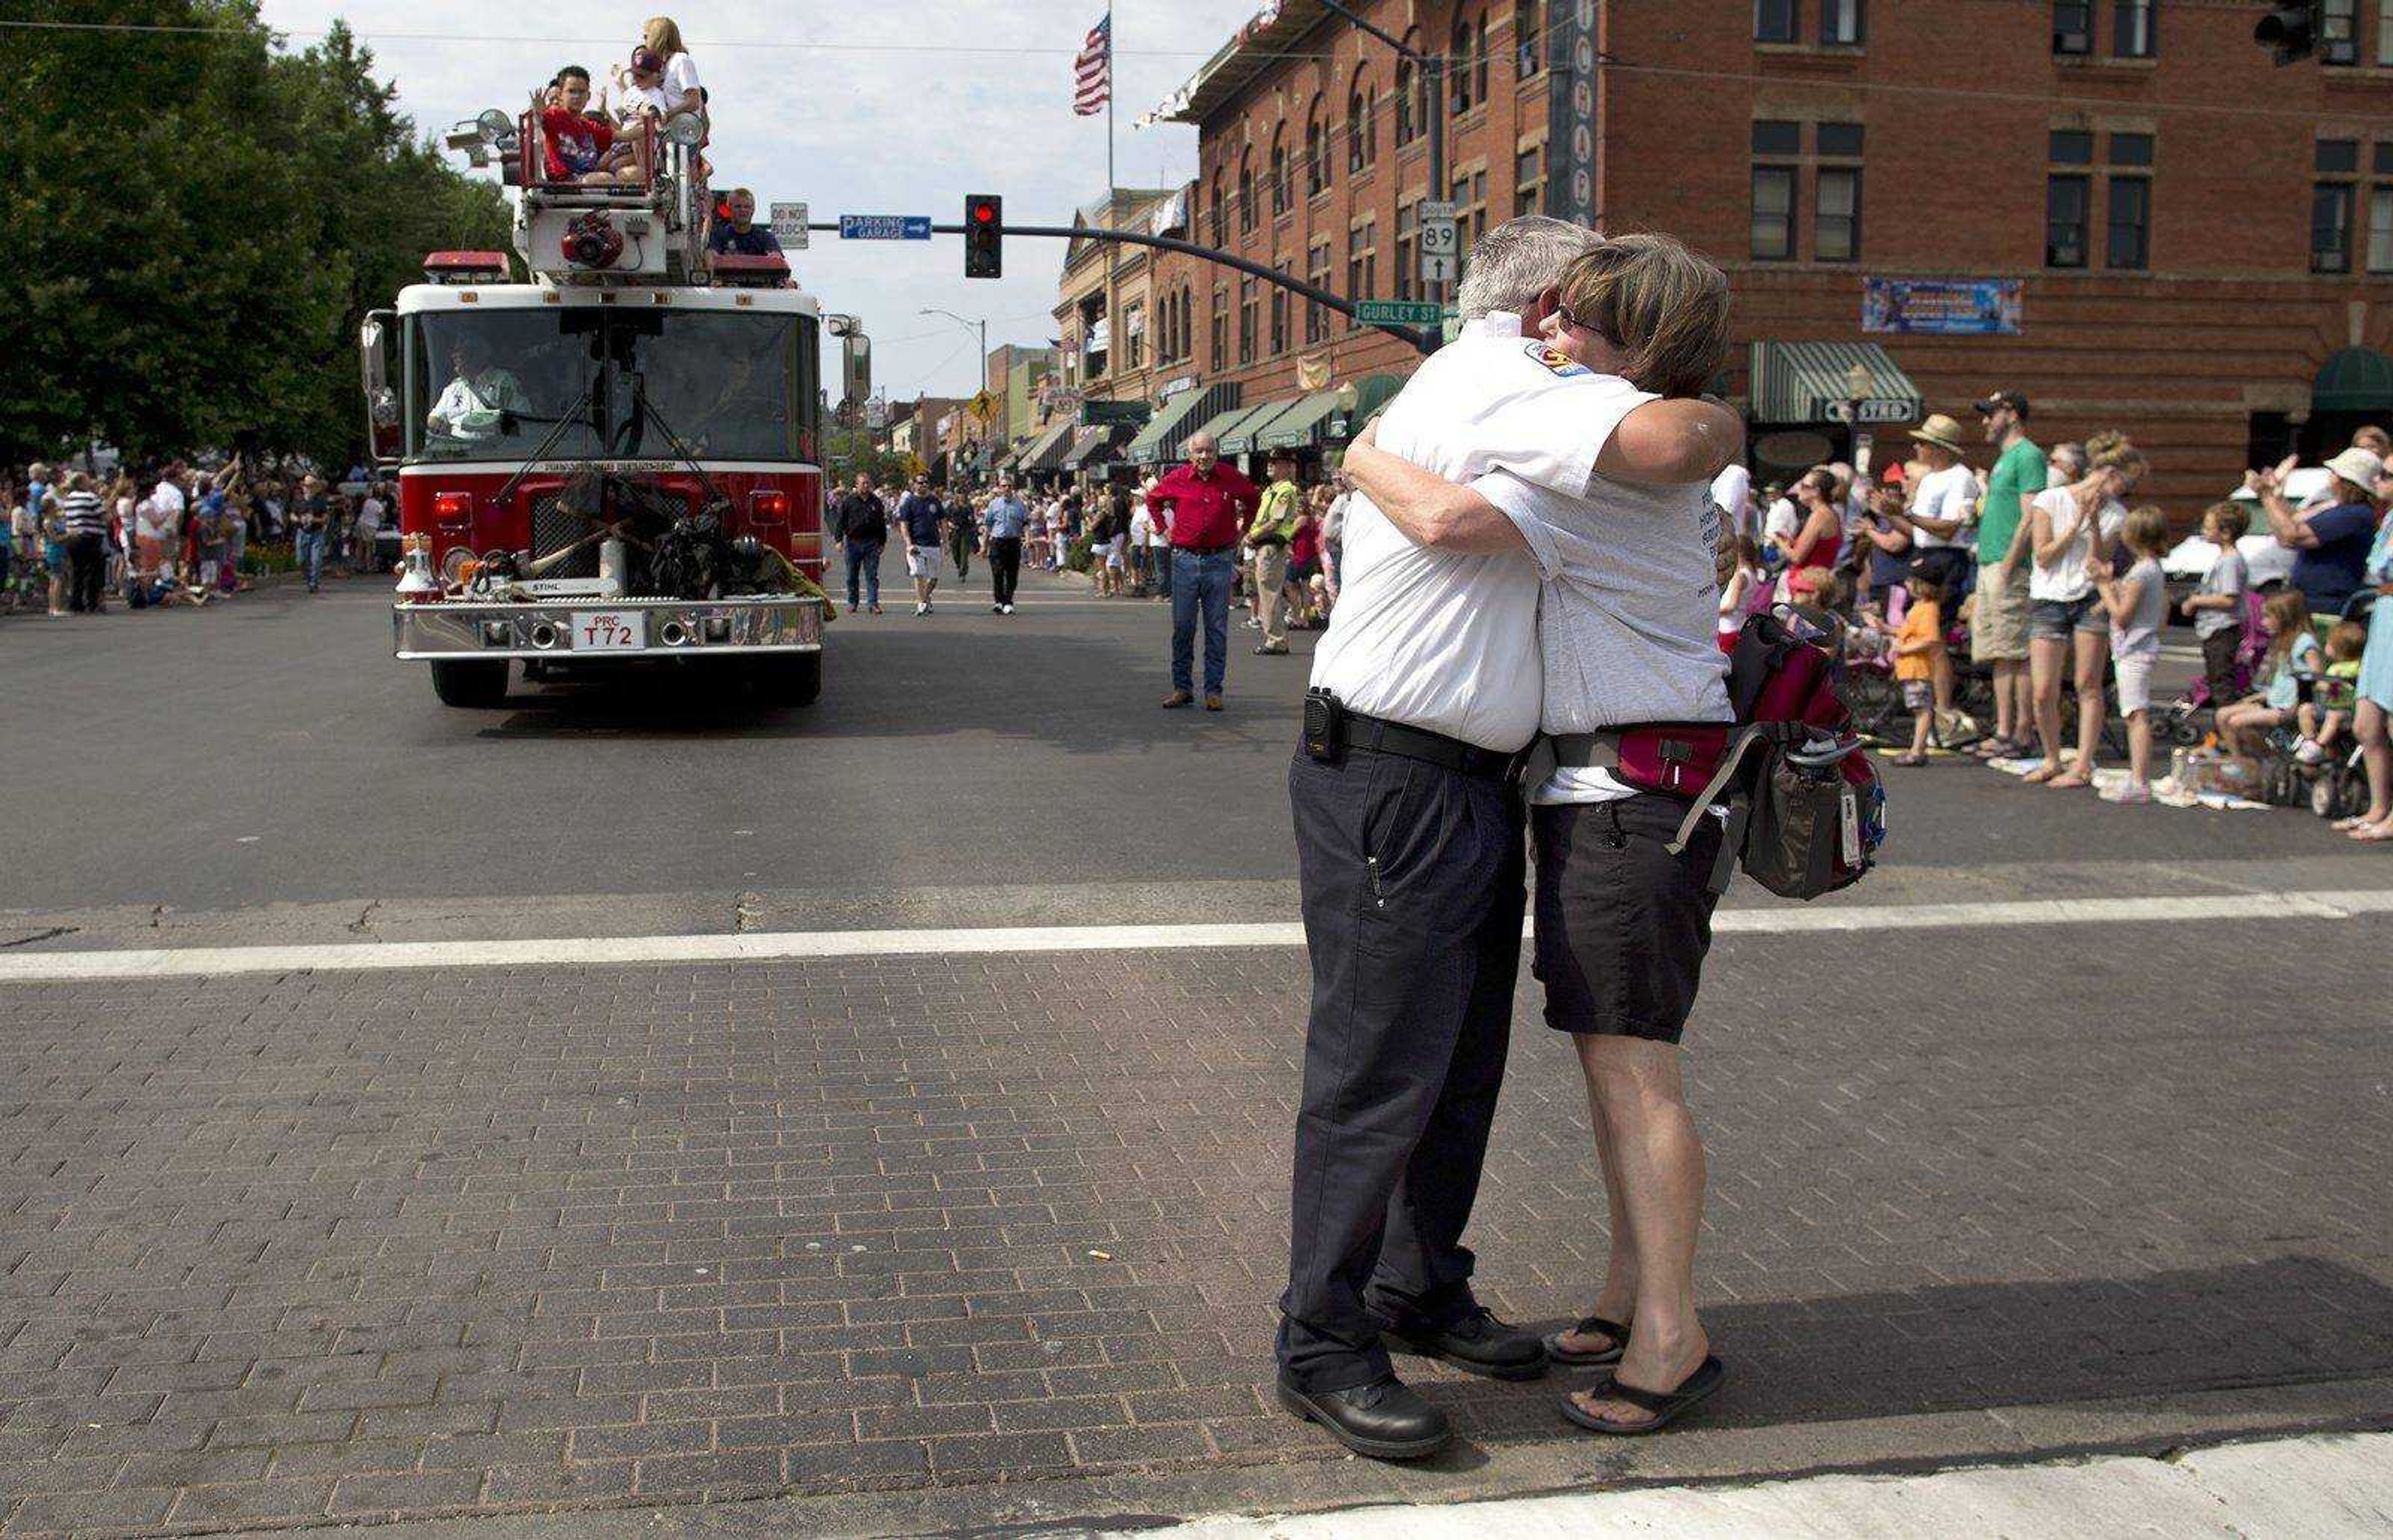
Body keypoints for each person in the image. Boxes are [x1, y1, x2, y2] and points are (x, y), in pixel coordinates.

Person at [1327, 227, 1747, 1446]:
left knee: (1635, 1077)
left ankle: (1672, 1343)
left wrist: (1362, 452)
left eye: (1572, 321)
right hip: (1615, 793)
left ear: (1625, 338)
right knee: (1617, 1069)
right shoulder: (1634, 445)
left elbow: (1450, 520)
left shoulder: (1600, 460)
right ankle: (1630, 1299)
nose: (1547, 337)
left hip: (1629, 798)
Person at [2023, 432, 2141, 789]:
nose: (2124, 491)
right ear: (2106, 472)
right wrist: (2075, 525)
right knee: (2043, 690)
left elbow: (2098, 564)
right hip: (2049, 596)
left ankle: (2083, 764)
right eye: (2124, 482)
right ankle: (2051, 757)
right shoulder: (2051, 499)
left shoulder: (2116, 514)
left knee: (2088, 684)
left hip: (2089, 600)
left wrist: (2092, 525)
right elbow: (2043, 556)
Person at [1146, 432, 1258, 711]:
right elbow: (1152, 500)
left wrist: (1243, 532)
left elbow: (1253, 499)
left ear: (1217, 453)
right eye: (1199, 452)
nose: (1204, 456)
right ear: (1190, 454)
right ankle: (1182, 688)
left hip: (1219, 561)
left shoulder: (1230, 477)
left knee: (1216, 629)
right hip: (1185, 561)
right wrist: (1163, 529)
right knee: (1183, 628)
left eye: (1209, 451)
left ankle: (1213, 690)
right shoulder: (1178, 478)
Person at [1970, 390, 2047, 758]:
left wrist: (2008, 564)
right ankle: (2003, 730)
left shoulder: (2029, 455)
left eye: (1990, 414)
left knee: (2016, 651)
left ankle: (2021, 732)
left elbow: (2031, 516)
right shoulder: (2004, 459)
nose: (1985, 421)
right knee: (1999, 652)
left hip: (2007, 567)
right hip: (1990, 563)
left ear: (2011, 414)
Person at [2095, 506, 2171, 804]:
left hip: (2134, 649)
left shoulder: (2141, 572)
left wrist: (2103, 587)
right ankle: (2137, 777)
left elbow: (2122, 616)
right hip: (2140, 647)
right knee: (2134, 713)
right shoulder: (2151, 569)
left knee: (2135, 714)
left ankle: (2140, 781)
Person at [2255, 446, 2382, 620]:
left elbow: (2291, 535)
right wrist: (2276, 494)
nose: (2330, 478)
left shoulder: (2355, 514)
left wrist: (2266, 495)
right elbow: (2291, 523)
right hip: (2311, 602)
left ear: (2346, 482)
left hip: (2327, 606)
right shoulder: (2342, 509)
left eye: (2334, 474)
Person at [2218, 591, 2319, 760]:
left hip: (2289, 708)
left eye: (2267, 617)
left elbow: (2316, 677)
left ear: (2285, 618)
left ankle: (2270, 758)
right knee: (2222, 715)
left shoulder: (2305, 642)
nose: (2263, 622)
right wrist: (2261, 696)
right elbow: (2284, 682)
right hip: (2274, 701)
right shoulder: (2282, 641)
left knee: (2236, 723)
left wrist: (2299, 703)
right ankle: (2240, 761)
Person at [2344, 503, 2393, 841]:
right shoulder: (2389, 518)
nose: (2382, 480)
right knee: (2366, 724)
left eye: (2389, 475)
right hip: (2384, 617)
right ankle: (2378, 808)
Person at [2180, 501, 2250, 709]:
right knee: (2216, 679)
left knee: (2222, 684)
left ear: (2226, 532)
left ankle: (2227, 728)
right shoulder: (2224, 559)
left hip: (2222, 629)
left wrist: (2196, 601)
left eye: (2209, 527)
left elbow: (2229, 598)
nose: (2204, 531)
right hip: (2214, 629)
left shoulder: (2230, 561)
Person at [1246, 449, 1304, 655]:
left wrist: (1253, 535)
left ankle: (1276, 640)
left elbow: (1275, 522)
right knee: (1266, 592)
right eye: (1270, 462)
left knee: (1269, 593)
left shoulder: (1285, 490)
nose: (1271, 465)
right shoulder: (1272, 489)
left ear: (1288, 467)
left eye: (1276, 462)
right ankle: (1274, 638)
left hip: (1271, 545)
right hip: (1265, 545)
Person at [1890, 569, 1946, 767]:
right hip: (1910, 669)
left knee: (1922, 709)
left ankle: (1917, 750)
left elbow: (1931, 638)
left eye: (1910, 581)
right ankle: (1918, 748)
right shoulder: (1918, 607)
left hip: (1918, 669)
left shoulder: (1928, 609)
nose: (1906, 584)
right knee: (1919, 708)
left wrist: (1904, 648)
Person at [426, 340, 528, 443]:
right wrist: (443, 428)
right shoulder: (454, 387)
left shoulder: (503, 381)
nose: (455, 356)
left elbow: (523, 421)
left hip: (491, 452)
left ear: (478, 355)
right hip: (456, 450)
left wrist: (494, 428)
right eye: (455, 352)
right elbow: (433, 419)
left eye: (463, 351)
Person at [2296, 621, 2367, 766]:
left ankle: (2319, 745)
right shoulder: (2345, 666)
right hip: (2331, 706)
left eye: (2328, 643)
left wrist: (2319, 684)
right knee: (2306, 709)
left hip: (2348, 711)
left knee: (2333, 716)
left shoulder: (2348, 669)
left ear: (2338, 649)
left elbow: (2331, 687)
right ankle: (2310, 741)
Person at [539, 66, 617, 183]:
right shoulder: (554, 117)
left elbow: (622, 136)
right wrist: (538, 113)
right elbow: (539, 121)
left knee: (627, 174)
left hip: (586, 179)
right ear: (561, 94)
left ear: (588, 96)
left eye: (581, 92)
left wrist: (646, 123)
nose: (577, 97)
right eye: (571, 91)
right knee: (606, 179)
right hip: (563, 182)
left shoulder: (588, 126)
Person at [828, 472, 886, 614]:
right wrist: (838, 540)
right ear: (857, 485)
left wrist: (882, 542)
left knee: (872, 575)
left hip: (872, 543)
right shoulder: (849, 501)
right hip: (853, 543)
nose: (866, 486)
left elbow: (881, 524)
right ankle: (853, 602)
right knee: (851, 576)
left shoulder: (876, 502)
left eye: (868, 483)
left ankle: (873, 604)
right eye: (863, 483)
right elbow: (840, 522)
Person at [54, 472, 108, 614]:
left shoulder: (69, 499)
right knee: (92, 571)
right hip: (90, 537)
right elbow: (104, 517)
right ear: (82, 483)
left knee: (77, 571)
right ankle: (92, 602)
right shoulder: (91, 497)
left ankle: (76, 603)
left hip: (72, 538)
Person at [896, 474, 948, 616]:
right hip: (916, 545)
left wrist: (946, 542)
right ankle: (922, 603)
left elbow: (943, 522)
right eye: (920, 483)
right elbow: (904, 525)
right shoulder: (909, 502)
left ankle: (925, 597)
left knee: (934, 578)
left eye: (926, 482)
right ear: (914, 485)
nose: (923, 485)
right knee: (919, 573)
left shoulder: (934, 501)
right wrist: (908, 544)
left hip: (934, 544)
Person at [981, 478, 1028, 614]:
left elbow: (1025, 524)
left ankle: (1008, 601)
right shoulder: (993, 504)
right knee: (998, 573)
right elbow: (988, 525)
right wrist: (984, 546)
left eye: (1009, 486)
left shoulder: (1020, 505)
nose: (1006, 488)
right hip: (997, 541)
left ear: (1013, 488)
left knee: (1012, 573)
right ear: (999, 488)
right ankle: (998, 602)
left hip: (1013, 541)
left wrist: (1028, 539)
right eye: (1003, 486)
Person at [709, 188, 781, 256]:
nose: (743, 210)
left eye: (747, 207)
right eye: (738, 207)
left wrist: (775, 255)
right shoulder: (718, 236)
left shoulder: (766, 237)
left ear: (753, 210)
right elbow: (712, 256)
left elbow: (777, 259)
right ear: (729, 209)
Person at [290, 473, 332, 592]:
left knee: (316, 560)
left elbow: (325, 519)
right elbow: (292, 515)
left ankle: (314, 584)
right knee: (301, 560)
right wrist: (299, 519)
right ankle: (309, 580)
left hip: (316, 533)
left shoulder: (320, 501)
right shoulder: (299, 500)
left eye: (311, 486)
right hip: (302, 532)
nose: (308, 488)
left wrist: (314, 519)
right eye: (306, 485)